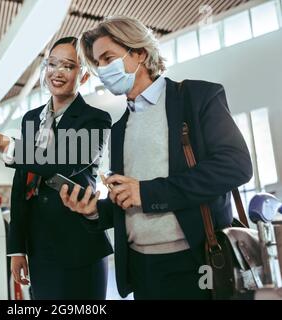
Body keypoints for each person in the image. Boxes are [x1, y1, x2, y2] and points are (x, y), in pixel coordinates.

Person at [60, 16, 253, 300]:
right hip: (143, 270)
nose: (102, 70)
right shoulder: (119, 128)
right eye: (97, 63)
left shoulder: (197, 97)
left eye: (107, 58)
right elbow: (130, 202)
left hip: (198, 261)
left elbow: (236, 166)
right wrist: (93, 211)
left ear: (139, 52)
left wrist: (146, 192)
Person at [0, 37, 113, 300]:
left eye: (68, 66)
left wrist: (4, 142)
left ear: (84, 76)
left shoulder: (95, 119)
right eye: (52, 64)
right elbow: (22, 185)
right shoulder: (32, 119)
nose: (57, 72)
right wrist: (17, 248)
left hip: (78, 246)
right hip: (40, 250)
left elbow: (64, 161)